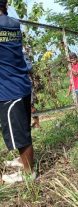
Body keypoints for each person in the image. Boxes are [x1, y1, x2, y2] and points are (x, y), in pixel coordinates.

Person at [0, 0, 36, 183]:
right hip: (21, 84)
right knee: (23, 129)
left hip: (8, 91)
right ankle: (23, 161)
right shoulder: (13, 24)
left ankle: (29, 174)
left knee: (20, 136)